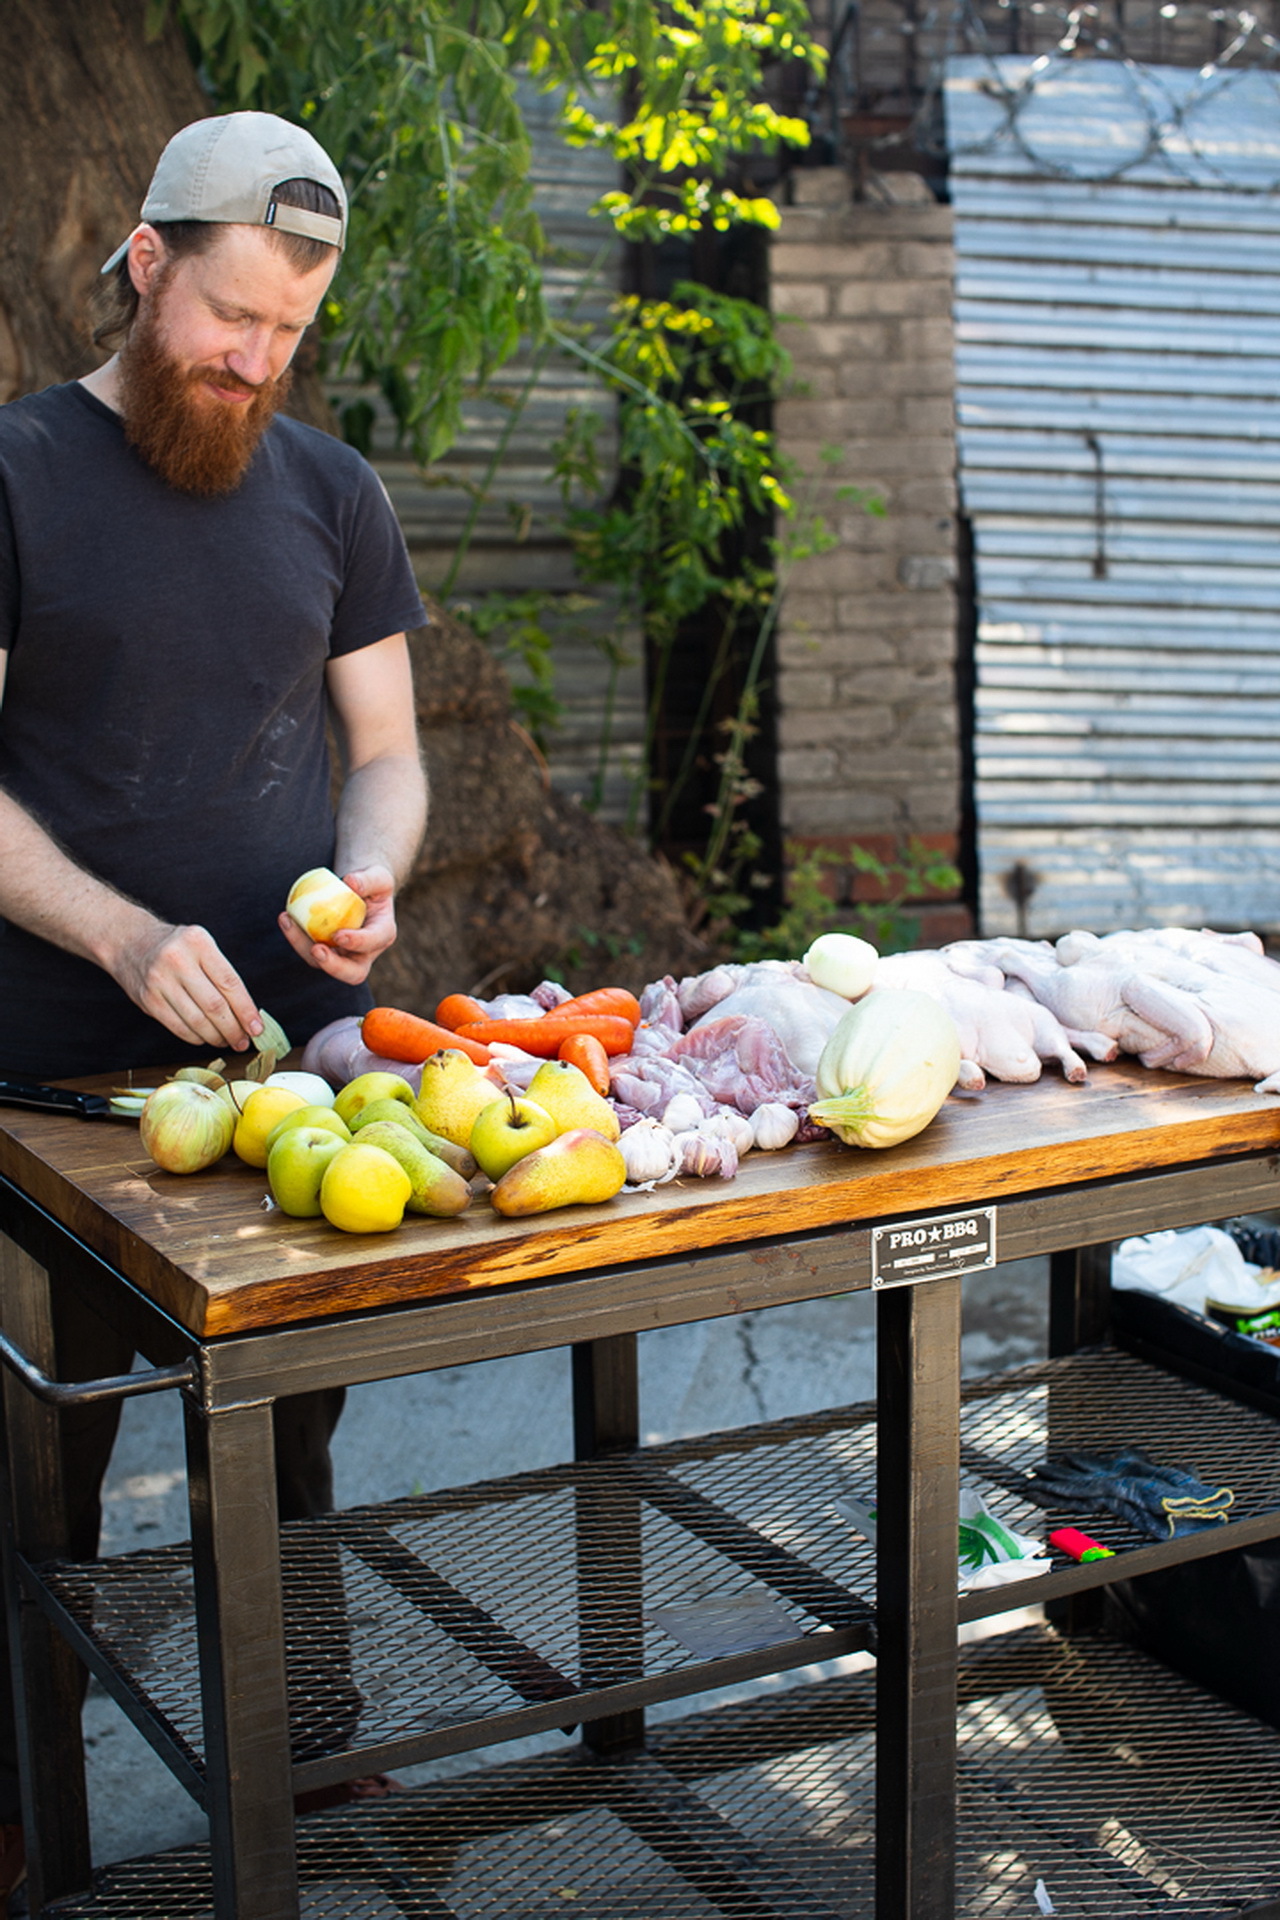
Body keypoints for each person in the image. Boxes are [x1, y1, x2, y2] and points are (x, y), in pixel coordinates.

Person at [0, 111, 429, 1899]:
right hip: (43, 1081)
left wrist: (374, 874)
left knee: (290, 1435)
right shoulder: (16, 470)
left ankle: (302, 1747)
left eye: (288, 337)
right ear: (143, 261)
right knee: (41, 1471)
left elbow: (389, 756)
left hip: (279, 1077)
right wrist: (113, 933)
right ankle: (27, 1814)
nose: (253, 365)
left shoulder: (331, 492)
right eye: (228, 318)